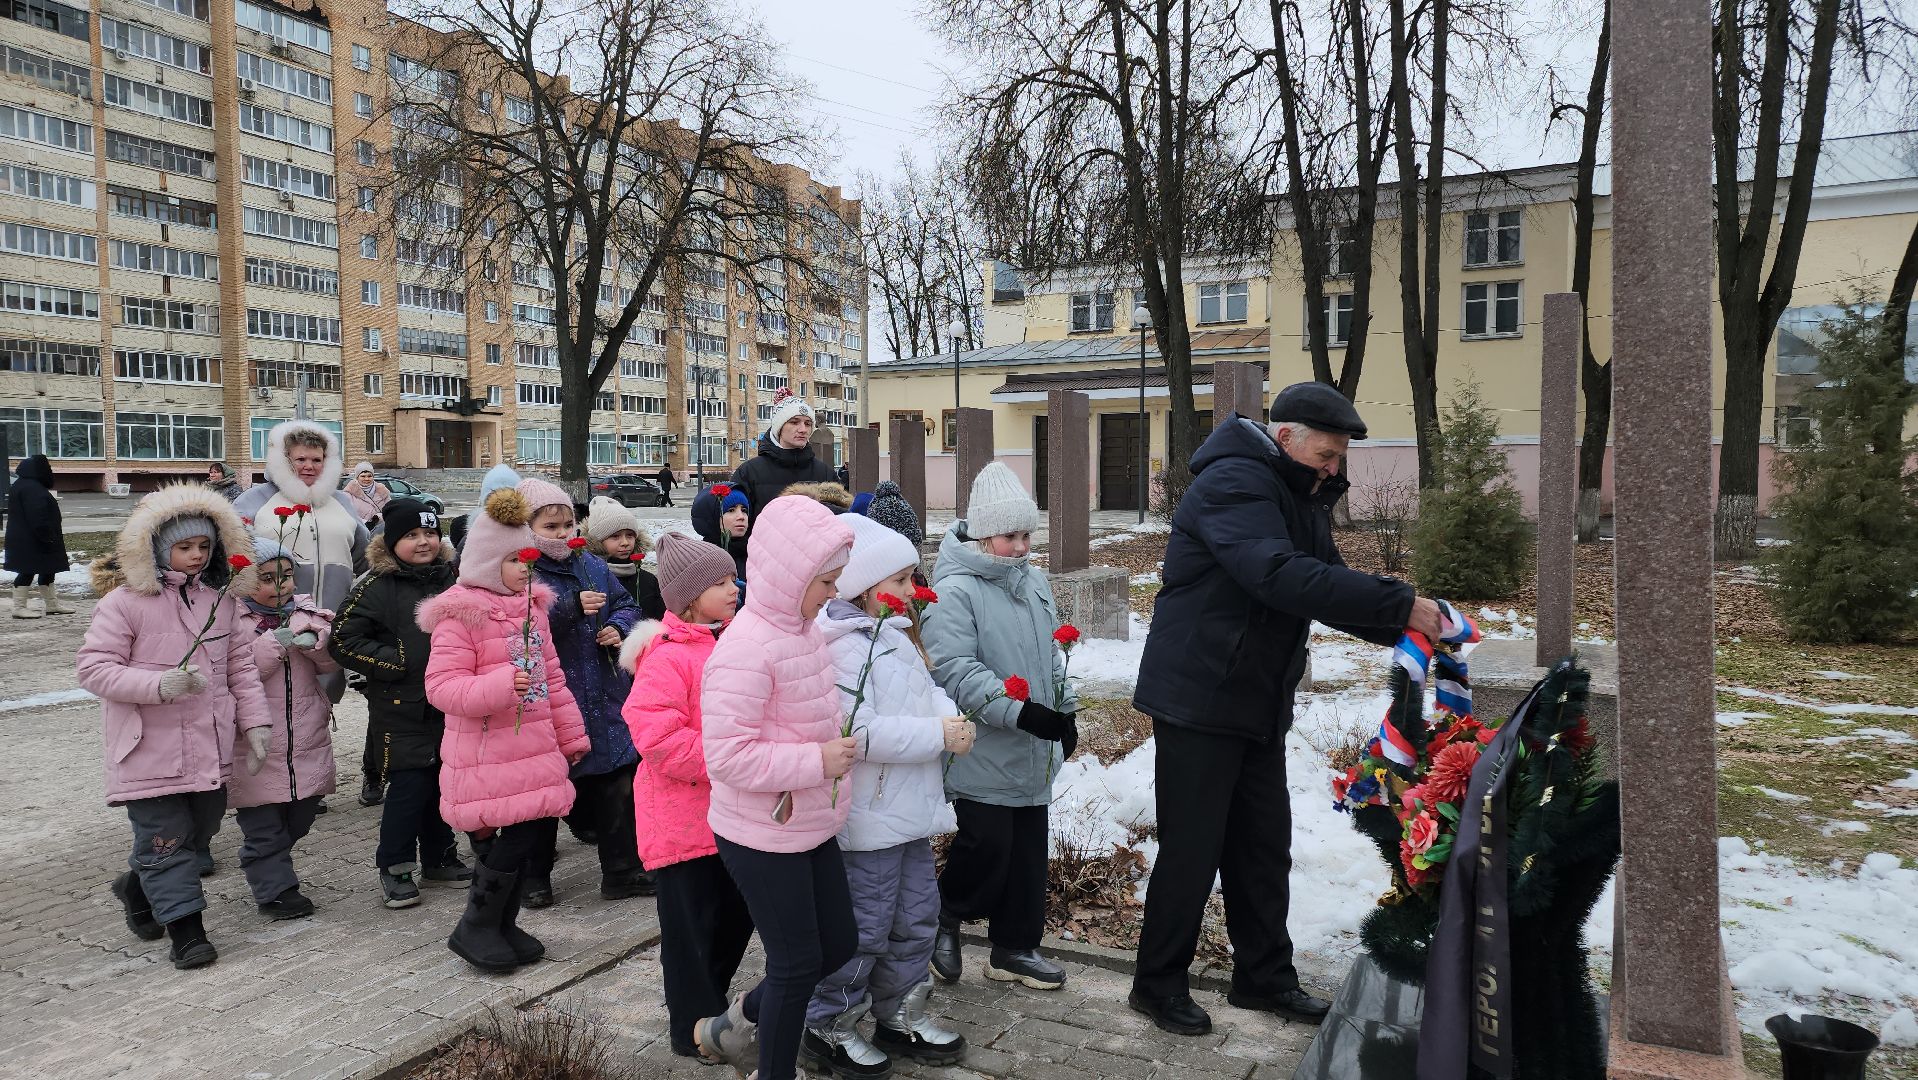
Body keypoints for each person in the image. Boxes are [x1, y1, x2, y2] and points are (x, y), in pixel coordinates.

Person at [1128, 383, 1441, 1037]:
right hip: (1199, 695)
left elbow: (1324, 584)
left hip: (1255, 698)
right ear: (1286, 438)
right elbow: (1275, 574)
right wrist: (1399, 605)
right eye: (1326, 455)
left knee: (1262, 848)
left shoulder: (1296, 493)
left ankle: (1263, 979)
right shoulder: (1234, 482)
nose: (1333, 469)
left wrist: (1408, 629)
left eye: (1339, 458)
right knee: (1193, 850)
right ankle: (1156, 985)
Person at [693, 496, 858, 1080]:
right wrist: (817, 760)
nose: (833, 594)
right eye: (826, 582)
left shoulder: (806, 631)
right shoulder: (745, 648)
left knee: (838, 944)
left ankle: (733, 1023)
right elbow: (727, 756)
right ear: (790, 577)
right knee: (797, 963)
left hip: (807, 819)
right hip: (760, 831)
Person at [802, 515, 973, 1077]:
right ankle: (828, 1022)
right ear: (862, 585)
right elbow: (860, 731)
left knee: (917, 917)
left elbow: (927, 694)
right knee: (866, 927)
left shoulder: (894, 637)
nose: (910, 590)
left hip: (910, 814)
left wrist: (950, 716)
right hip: (870, 820)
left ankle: (899, 1012)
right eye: (899, 581)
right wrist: (936, 735)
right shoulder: (844, 648)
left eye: (911, 579)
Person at [79, 485, 273, 969]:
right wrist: (158, 684)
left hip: (208, 746)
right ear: (157, 547)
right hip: (148, 747)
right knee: (166, 840)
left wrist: (255, 723)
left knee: (196, 832)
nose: (196, 555)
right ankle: (187, 933)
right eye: (184, 546)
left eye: (204, 546)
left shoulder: (220, 601)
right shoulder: (124, 603)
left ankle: (136, 885)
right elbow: (94, 669)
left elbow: (240, 667)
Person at [417, 488, 591, 973]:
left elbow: (552, 678)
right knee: (512, 838)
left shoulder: (532, 608)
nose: (523, 569)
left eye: (527, 559)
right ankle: (476, 924)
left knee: (532, 834)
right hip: (490, 751)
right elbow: (441, 687)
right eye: (512, 560)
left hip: (535, 747)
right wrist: (498, 685)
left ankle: (501, 923)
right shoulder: (461, 614)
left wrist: (571, 734)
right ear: (486, 562)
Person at [922, 462, 1077, 992]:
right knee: (986, 847)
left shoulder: (1033, 582)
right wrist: (1022, 712)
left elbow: (1052, 654)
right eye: (1011, 536)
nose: (1021, 546)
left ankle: (1014, 947)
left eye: (1027, 535)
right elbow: (956, 670)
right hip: (984, 746)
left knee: (1028, 855)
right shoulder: (956, 591)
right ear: (984, 534)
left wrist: (1064, 710)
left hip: (1032, 749)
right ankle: (945, 916)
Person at [619, 532, 754, 1061]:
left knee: (736, 915)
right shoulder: (668, 657)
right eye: (720, 583)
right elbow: (655, 736)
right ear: (690, 598)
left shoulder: (733, 642)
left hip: (730, 816)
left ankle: (711, 1008)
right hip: (680, 821)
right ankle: (690, 1027)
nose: (734, 588)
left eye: (733, 578)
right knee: (690, 930)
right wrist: (730, 758)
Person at [330, 498, 471, 908]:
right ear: (391, 542)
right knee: (409, 789)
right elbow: (342, 639)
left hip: (448, 703)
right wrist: (396, 662)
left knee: (441, 783)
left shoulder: (452, 579)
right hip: (400, 706)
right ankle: (395, 866)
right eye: (411, 535)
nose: (423, 541)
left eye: (430, 533)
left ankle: (440, 857)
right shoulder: (376, 586)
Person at [518, 478, 648, 904]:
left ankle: (623, 871)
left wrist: (618, 628)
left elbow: (626, 604)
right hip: (554, 696)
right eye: (549, 527)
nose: (561, 535)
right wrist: (570, 609)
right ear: (526, 528)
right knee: (547, 790)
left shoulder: (591, 565)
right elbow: (518, 625)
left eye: (567, 525)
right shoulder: (522, 571)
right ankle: (533, 877)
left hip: (604, 691)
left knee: (617, 782)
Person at [228, 535, 337, 921]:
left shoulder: (307, 613)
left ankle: (264, 860)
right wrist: (274, 643)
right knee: (263, 824)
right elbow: (239, 673)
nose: (280, 586)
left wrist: (318, 644)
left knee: (301, 815)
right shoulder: (233, 621)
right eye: (267, 578)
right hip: (256, 740)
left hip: (305, 736)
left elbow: (331, 665)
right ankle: (275, 889)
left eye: (286, 576)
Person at [233, 421, 370, 703]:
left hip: (331, 617)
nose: (309, 466)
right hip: (272, 620)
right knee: (275, 692)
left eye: (317, 459)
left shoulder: (342, 501)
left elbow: (362, 552)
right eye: (300, 459)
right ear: (285, 460)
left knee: (324, 695)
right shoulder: (255, 500)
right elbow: (234, 554)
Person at [729, 388, 834, 525]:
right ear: (779, 427)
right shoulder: (749, 472)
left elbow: (837, 521)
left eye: (808, 424)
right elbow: (734, 524)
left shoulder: (825, 473)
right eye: (794, 422)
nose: (803, 429)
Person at [5, 453, 69, 619]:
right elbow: (38, 515)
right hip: (34, 539)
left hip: (30, 538)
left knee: (48, 569)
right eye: (48, 468)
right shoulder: (32, 488)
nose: (50, 471)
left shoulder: (23, 484)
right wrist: (47, 535)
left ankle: (52, 605)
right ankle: (19, 608)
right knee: (27, 571)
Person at [585, 496, 665, 620]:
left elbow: (661, 619)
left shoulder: (648, 580)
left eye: (630, 535)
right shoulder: (589, 579)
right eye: (615, 536)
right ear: (598, 542)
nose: (625, 542)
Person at [448, 463, 522, 551]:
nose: (503, 505)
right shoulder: (465, 533)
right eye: (494, 498)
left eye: (509, 497)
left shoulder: (530, 532)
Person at [691, 482, 751, 584]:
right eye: (731, 510)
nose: (741, 517)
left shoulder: (757, 554)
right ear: (712, 517)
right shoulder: (701, 561)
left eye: (744, 510)